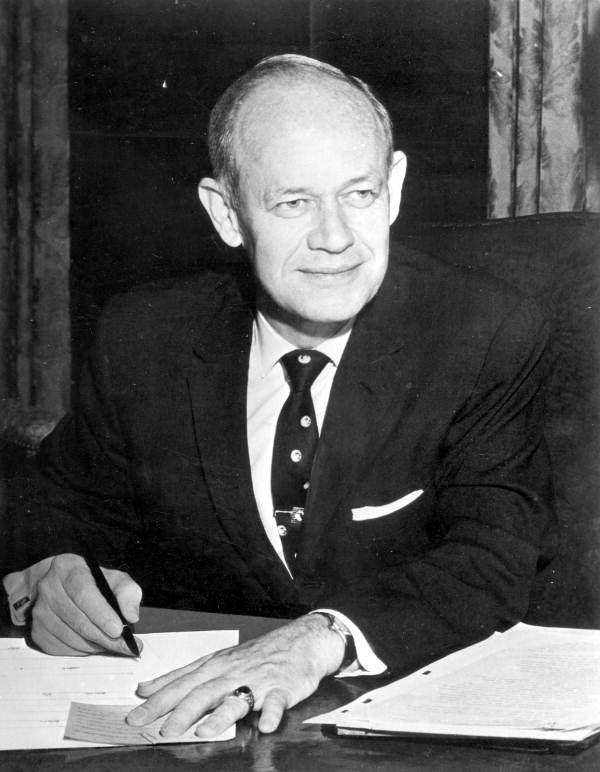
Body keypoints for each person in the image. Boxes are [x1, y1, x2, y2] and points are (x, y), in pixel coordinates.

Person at [3, 54, 554, 739]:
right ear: (227, 214)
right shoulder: (144, 338)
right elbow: (56, 504)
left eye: (359, 194)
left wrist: (317, 640)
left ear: (397, 186)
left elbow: (492, 559)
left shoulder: (483, 332)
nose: (335, 239)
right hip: (192, 740)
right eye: (294, 203)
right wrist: (54, 571)